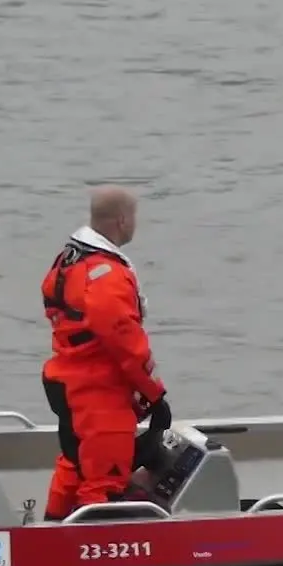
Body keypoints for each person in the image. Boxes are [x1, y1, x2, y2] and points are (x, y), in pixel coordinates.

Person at [38, 186, 173, 521]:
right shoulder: (107, 273)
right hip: (99, 392)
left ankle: (53, 530)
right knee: (102, 483)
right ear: (123, 220)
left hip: (69, 382)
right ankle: (96, 553)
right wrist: (153, 392)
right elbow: (121, 336)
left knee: (75, 464)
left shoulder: (69, 261)